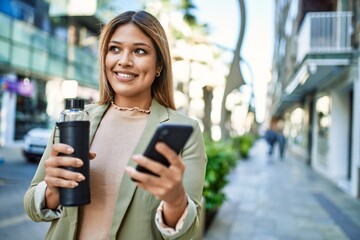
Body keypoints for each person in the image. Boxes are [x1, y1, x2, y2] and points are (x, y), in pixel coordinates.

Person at [23, 10, 207, 240]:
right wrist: (52, 190)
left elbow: (188, 232)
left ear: (159, 65)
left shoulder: (185, 131)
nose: (124, 61)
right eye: (115, 49)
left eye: (139, 51)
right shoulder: (76, 118)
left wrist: (175, 199)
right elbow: (32, 205)